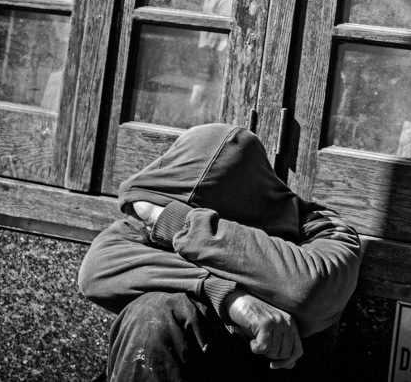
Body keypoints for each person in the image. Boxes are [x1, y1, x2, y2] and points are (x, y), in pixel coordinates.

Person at [78, 123, 362, 381]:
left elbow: (307, 290)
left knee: (163, 312)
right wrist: (229, 297)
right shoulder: (164, 204)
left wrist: (181, 225)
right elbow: (96, 271)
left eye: (203, 217)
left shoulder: (321, 228)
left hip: (270, 368)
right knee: (157, 312)